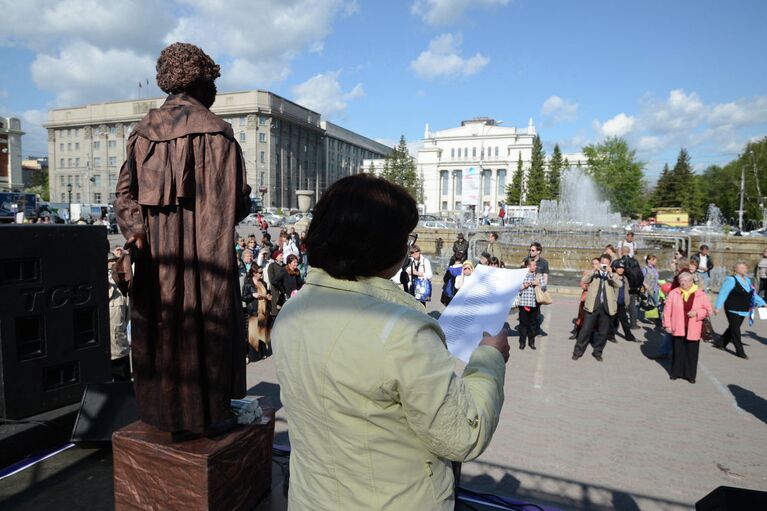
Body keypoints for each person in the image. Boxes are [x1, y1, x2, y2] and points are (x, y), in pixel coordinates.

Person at [272, 174, 509, 510]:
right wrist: (489, 358)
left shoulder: (292, 311)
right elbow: (463, 436)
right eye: (405, 236)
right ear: (384, 245)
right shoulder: (403, 331)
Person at [114, 42, 250, 438]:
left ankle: (167, 414)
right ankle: (207, 413)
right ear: (202, 82)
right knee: (207, 326)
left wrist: (138, 232)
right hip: (209, 256)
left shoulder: (141, 136)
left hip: (160, 261)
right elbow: (237, 205)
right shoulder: (220, 135)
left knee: (162, 326)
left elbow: (124, 196)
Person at [663, 272, 712, 383]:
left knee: (692, 352)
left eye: (685, 280)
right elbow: (667, 310)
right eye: (681, 280)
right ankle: (676, 373)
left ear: (691, 282)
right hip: (678, 326)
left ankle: (690, 376)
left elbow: (708, 310)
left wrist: (697, 312)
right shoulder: (673, 293)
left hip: (694, 327)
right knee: (678, 351)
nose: (683, 282)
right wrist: (667, 325)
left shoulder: (700, 294)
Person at [572, 254, 622, 362]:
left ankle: (598, 352)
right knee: (585, 330)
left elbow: (619, 284)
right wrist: (595, 270)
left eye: (606, 263)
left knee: (603, 332)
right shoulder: (594, 273)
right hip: (592, 305)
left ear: (609, 265)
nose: (604, 265)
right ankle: (577, 352)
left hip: (606, 307)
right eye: (602, 263)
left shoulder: (613, 275)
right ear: (600, 263)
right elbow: (584, 280)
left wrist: (610, 274)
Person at [714, 261, 767, 359]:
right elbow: (723, 293)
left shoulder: (747, 280)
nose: (744, 269)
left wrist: (763, 303)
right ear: (736, 269)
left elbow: (753, 294)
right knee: (736, 330)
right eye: (742, 268)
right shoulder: (731, 280)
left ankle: (720, 343)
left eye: (745, 268)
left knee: (733, 328)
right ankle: (740, 351)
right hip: (732, 308)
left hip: (743, 308)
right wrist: (717, 307)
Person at [108, 253, 131, 381]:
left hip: (119, 351)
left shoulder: (121, 292)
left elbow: (127, 318)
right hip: (100, 354)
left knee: (123, 388)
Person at [241, 265, 272, 362]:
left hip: (263, 311)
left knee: (262, 333)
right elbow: (243, 297)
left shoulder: (263, 283)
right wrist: (252, 295)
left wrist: (268, 296)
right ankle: (252, 356)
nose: (262, 274)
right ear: (254, 273)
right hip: (253, 312)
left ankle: (262, 353)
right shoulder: (248, 284)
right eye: (260, 272)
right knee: (253, 335)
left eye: (262, 272)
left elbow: (268, 293)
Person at [517, 258, 545, 350]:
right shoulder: (521, 275)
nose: (535, 266)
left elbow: (544, 287)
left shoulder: (538, 275)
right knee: (523, 324)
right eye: (534, 265)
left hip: (534, 303)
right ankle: (522, 342)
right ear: (528, 266)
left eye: (535, 265)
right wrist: (523, 286)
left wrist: (538, 283)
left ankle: (531, 342)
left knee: (532, 324)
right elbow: (516, 287)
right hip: (523, 303)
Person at [570, 258, 601, 340]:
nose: (595, 265)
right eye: (593, 263)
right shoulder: (588, 272)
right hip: (586, 298)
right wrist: (590, 287)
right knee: (581, 316)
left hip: (597, 299)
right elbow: (582, 284)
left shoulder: (603, 274)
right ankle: (577, 333)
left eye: (597, 263)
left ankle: (591, 336)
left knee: (594, 319)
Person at [610, 259, 638, 342]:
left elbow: (627, 289)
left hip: (622, 303)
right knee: (612, 320)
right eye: (619, 267)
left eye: (623, 268)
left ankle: (629, 337)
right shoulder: (612, 276)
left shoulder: (625, 277)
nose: (621, 269)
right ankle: (611, 336)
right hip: (614, 303)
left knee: (624, 320)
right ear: (615, 268)